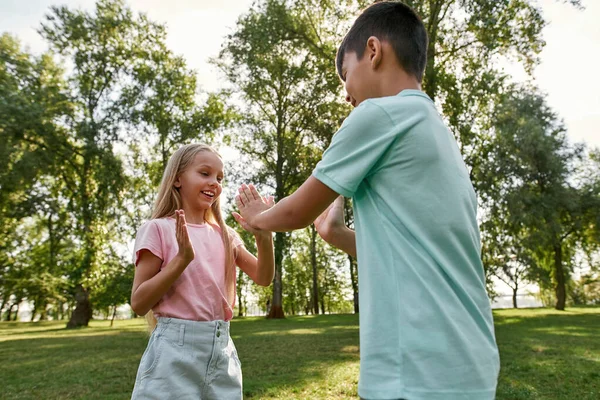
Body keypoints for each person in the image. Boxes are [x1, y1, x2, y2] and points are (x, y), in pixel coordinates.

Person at [234, 2, 500, 399]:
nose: (346, 94)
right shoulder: (437, 133)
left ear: (373, 51)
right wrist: (336, 232)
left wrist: (259, 217)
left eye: (345, 75)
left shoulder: (380, 115)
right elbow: (416, 250)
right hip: (468, 361)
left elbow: (296, 211)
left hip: (416, 369)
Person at [130, 143, 275, 399]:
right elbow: (139, 303)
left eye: (220, 178)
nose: (215, 183)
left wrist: (264, 237)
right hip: (173, 354)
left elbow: (263, 277)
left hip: (222, 350)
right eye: (205, 173)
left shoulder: (226, 235)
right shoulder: (158, 229)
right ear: (177, 179)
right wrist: (181, 260)